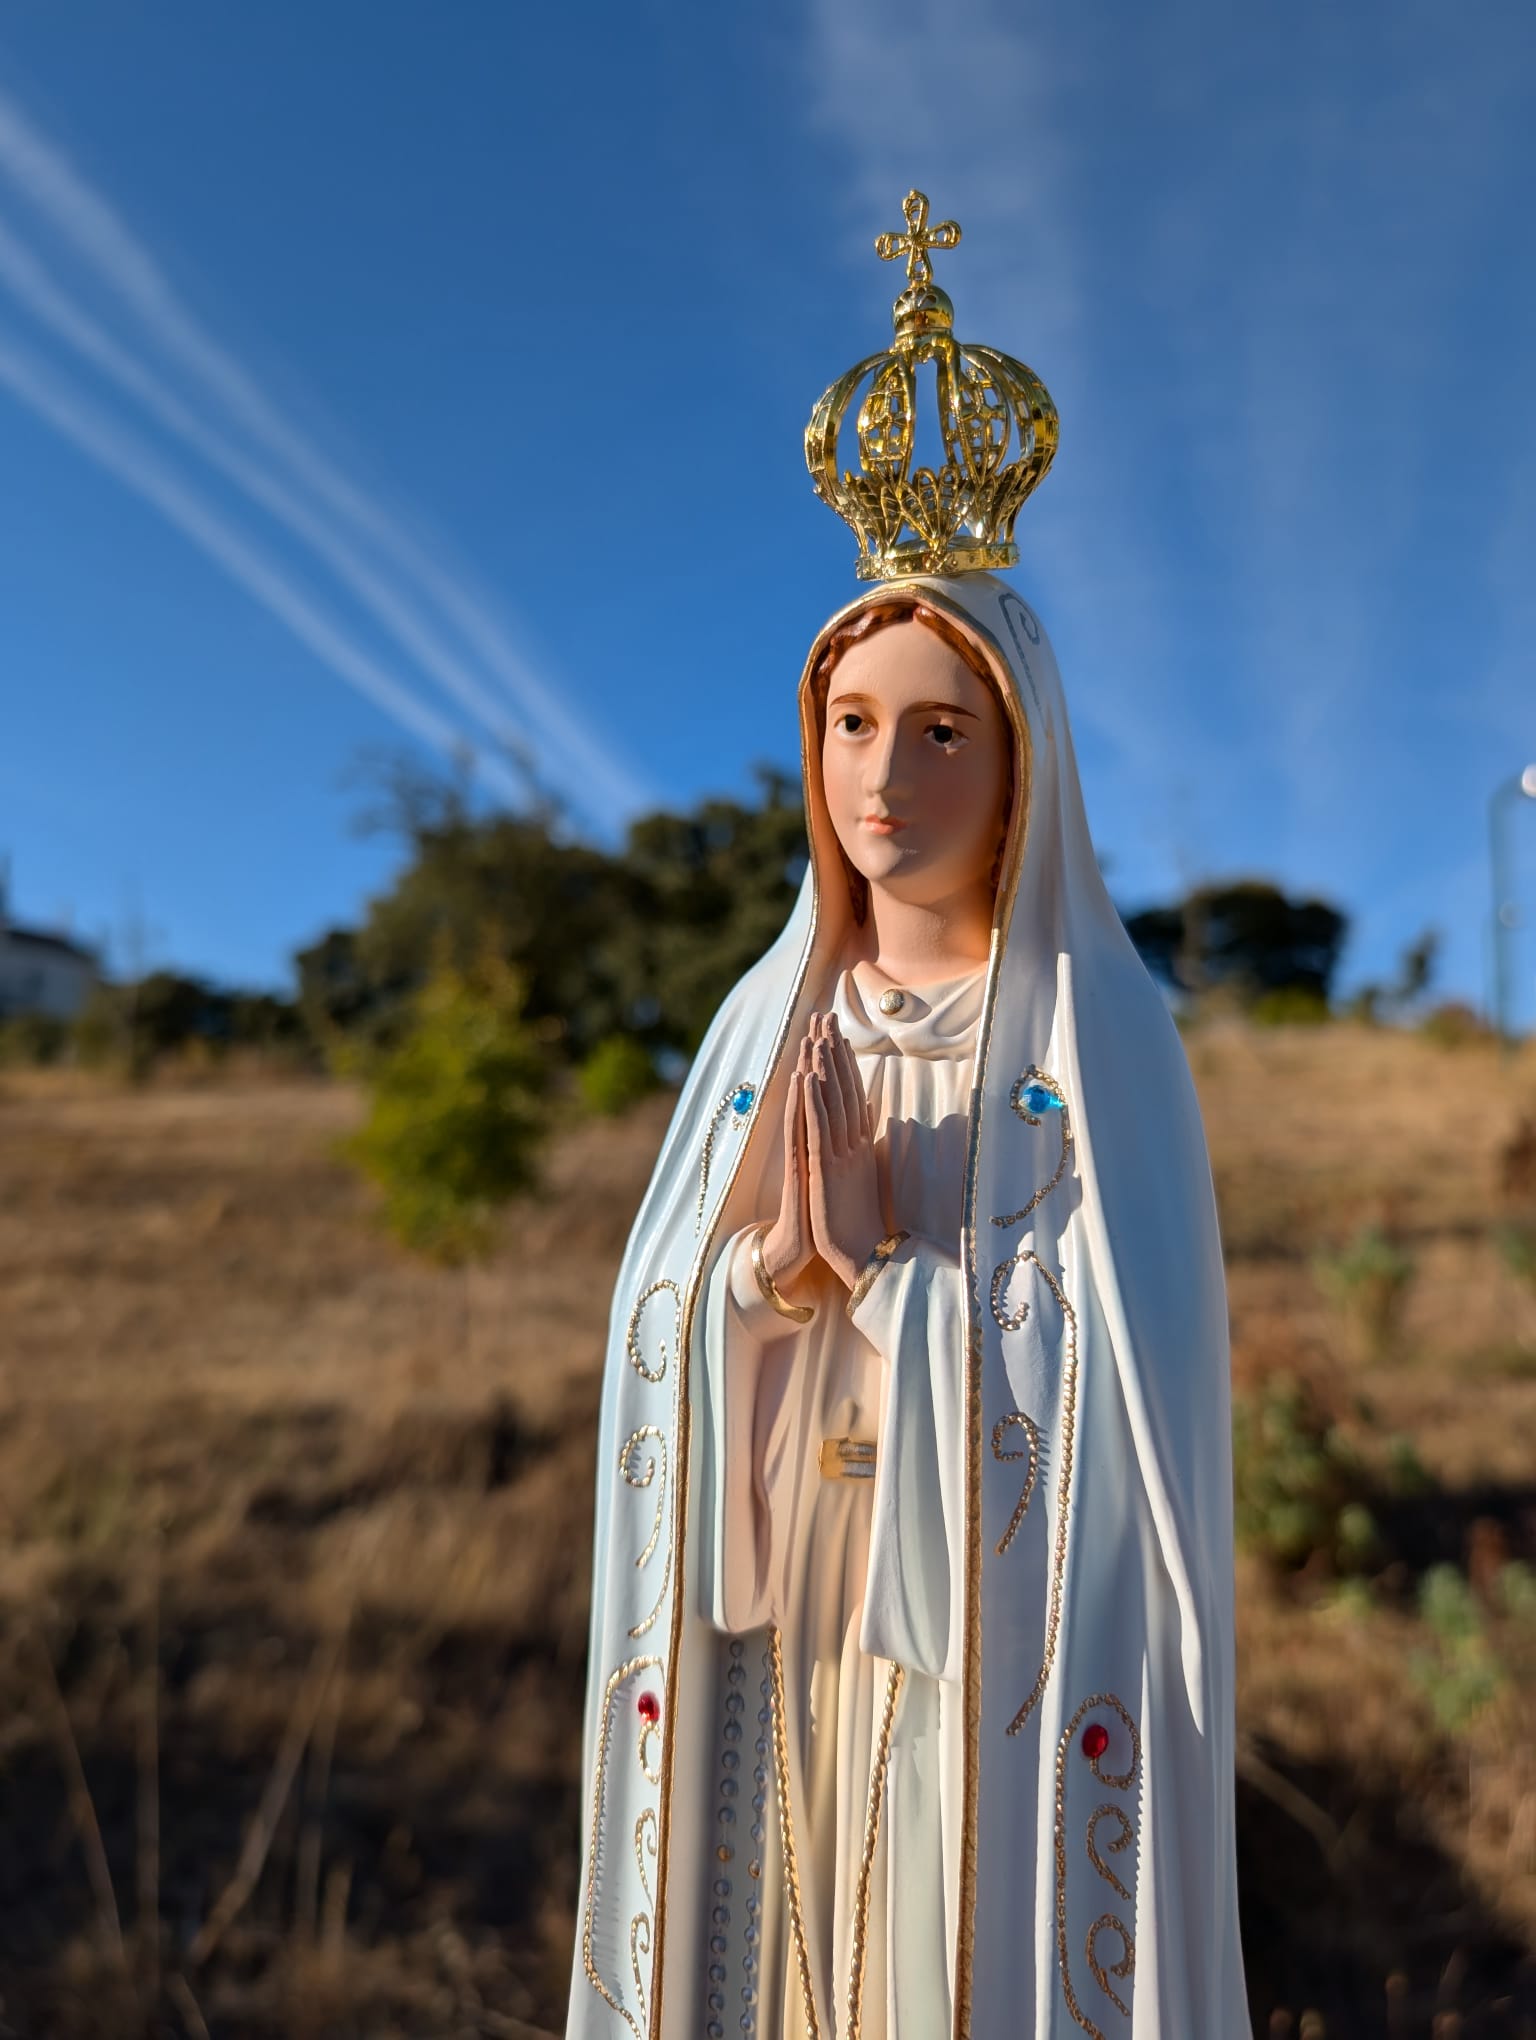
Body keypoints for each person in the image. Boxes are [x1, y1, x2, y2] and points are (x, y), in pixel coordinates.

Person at [568, 194, 1250, 2040]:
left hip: (1000, 1673)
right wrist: (759, 1291)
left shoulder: (1101, 1034)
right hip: (793, 1636)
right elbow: (660, 1343)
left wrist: (896, 1286)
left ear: (1025, 756)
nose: (884, 776)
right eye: (851, 724)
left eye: (941, 729)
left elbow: (1134, 1411)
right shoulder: (758, 1026)